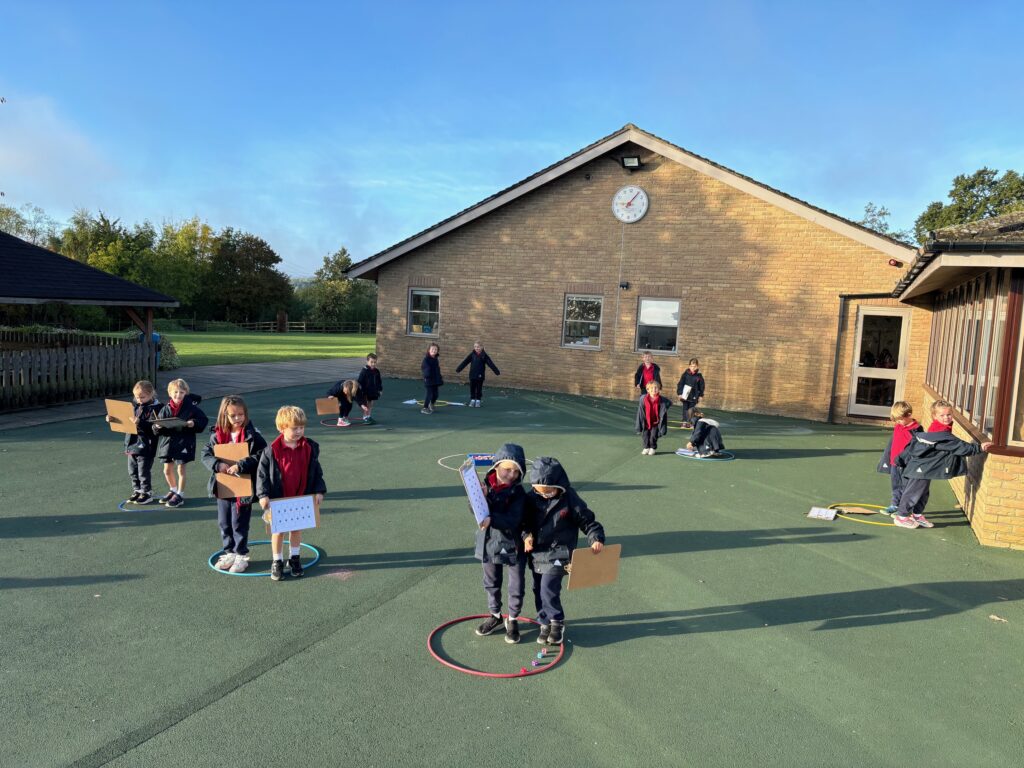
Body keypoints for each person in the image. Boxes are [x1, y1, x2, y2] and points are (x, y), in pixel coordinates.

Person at [525, 457, 605, 645]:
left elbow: (588, 521)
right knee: (537, 588)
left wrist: (596, 538)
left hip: (559, 553)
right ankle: (544, 621)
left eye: (549, 491)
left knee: (548, 587)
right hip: (537, 553)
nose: (545, 495)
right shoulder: (531, 498)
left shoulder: (569, 497)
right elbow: (523, 522)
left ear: (559, 485)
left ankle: (557, 622)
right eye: (540, 491)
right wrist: (526, 535)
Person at [892, 400, 993, 529]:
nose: (946, 418)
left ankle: (917, 515)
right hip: (920, 468)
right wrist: (979, 447)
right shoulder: (940, 434)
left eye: (949, 414)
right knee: (913, 492)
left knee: (923, 492)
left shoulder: (940, 428)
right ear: (934, 416)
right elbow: (960, 446)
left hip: (925, 468)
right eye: (942, 415)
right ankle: (902, 517)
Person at [256, 406, 327, 580]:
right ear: (282, 428)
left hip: (300, 497)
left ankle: (294, 558)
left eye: (301, 427)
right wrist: (263, 495)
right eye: (294, 428)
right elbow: (262, 474)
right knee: (278, 531)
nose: (299, 431)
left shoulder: (308, 448)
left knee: (296, 529)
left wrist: (319, 490)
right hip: (279, 499)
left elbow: (316, 471)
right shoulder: (272, 450)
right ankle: (277, 561)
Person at [201, 395, 267, 573]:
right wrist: (218, 465)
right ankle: (229, 551)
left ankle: (241, 554)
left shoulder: (252, 435)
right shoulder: (217, 436)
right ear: (224, 416)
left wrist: (242, 464)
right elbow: (205, 454)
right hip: (224, 485)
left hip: (243, 486)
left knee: (239, 522)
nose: (238, 418)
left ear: (246, 414)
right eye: (233, 415)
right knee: (224, 521)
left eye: (241, 414)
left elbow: (262, 455)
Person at [473, 443, 531, 644]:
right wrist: (481, 497)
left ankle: (513, 619)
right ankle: (495, 615)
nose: (512, 475)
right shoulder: (484, 485)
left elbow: (513, 520)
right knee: (491, 582)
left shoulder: (519, 493)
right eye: (508, 469)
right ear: (496, 466)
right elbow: (476, 510)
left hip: (513, 545)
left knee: (516, 584)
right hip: (489, 543)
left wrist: (492, 519)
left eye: (517, 471)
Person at [153, 378, 209, 508]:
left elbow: (202, 420)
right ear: (170, 393)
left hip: (184, 442)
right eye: (176, 392)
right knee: (167, 470)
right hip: (168, 443)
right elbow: (155, 425)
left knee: (181, 469)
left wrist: (193, 423)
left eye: (182, 392)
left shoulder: (191, 408)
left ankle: (180, 494)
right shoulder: (165, 409)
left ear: (186, 394)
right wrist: (157, 427)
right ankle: (173, 489)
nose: (178, 395)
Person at [106, 380, 161, 504]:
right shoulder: (134, 407)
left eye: (143, 397)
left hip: (147, 444)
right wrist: (112, 419)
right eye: (137, 397)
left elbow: (154, 428)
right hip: (131, 443)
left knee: (143, 470)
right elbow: (124, 421)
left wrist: (139, 422)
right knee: (132, 470)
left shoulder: (156, 408)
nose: (139, 399)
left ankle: (146, 492)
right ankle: (137, 490)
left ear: (151, 394)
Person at [876, 401, 921, 515]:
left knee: (907, 488)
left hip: (907, 465)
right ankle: (895, 505)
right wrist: (887, 458)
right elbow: (893, 443)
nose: (899, 422)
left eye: (900, 419)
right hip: (894, 463)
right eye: (897, 420)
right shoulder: (898, 426)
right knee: (896, 486)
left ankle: (904, 509)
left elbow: (917, 449)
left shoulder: (917, 430)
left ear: (909, 415)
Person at [456, 341, 500, 407]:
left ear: (482, 347)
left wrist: (496, 371)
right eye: (475, 347)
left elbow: (491, 364)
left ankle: (478, 401)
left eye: (478, 347)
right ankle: (472, 400)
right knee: (472, 388)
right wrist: (459, 369)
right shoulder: (472, 354)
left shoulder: (484, 356)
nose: (476, 348)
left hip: (480, 375)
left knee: (479, 388)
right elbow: (465, 362)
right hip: (472, 375)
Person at [635, 379, 671, 455]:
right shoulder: (643, 399)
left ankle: (652, 448)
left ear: (658, 389)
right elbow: (640, 411)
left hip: (655, 422)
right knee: (645, 436)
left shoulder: (662, 400)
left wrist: (663, 410)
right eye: (651, 388)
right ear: (648, 390)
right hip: (646, 421)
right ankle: (646, 447)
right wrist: (639, 424)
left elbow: (669, 403)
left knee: (653, 436)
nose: (654, 390)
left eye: (656, 388)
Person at [676, 358, 705, 428]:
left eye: (694, 366)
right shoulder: (685, 374)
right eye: (691, 366)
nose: (693, 368)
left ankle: (690, 422)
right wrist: (680, 393)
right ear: (689, 366)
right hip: (685, 395)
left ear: (697, 366)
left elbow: (702, 386)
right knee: (685, 409)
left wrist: (701, 395)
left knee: (691, 409)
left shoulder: (699, 376)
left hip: (694, 396)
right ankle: (684, 422)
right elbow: (680, 384)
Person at [356, 353, 383, 421]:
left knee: (370, 404)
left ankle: (368, 415)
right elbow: (359, 381)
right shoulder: (364, 371)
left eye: (375, 362)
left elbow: (379, 381)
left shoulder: (376, 371)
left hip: (373, 391)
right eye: (371, 362)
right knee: (366, 404)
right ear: (367, 361)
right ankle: (365, 416)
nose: (373, 364)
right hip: (365, 391)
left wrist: (380, 389)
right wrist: (360, 391)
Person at [421, 342, 443, 414]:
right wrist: (426, 376)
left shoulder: (436, 359)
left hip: (435, 380)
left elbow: (437, 370)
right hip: (428, 380)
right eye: (432, 349)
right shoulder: (426, 359)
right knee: (429, 394)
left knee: (436, 394)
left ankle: (431, 404)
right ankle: (425, 408)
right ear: (429, 350)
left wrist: (439, 378)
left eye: (436, 349)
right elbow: (425, 368)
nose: (434, 350)